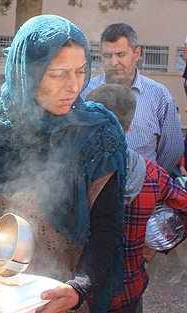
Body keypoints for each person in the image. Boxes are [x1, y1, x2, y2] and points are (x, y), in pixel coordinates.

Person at [0, 15, 128, 313]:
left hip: (56, 297)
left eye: (81, 71)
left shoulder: (96, 133)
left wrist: (78, 287)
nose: (73, 86)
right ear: (26, 73)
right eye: (58, 73)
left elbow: (107, 229)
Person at [85, 84, 187, 313]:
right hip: (129, 291)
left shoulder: (75, 170)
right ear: (129, 128)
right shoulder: (152, 173)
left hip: (77, 294)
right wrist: (158, 242)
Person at [79, 23, 182, 175]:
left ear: (137, 53)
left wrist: (149, 178)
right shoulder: (85, 91)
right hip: (95, 189)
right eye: (107, 55)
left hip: (144, 191)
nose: (113, 62)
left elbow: (172, 149)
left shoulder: (159, 96)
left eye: (120, 55)